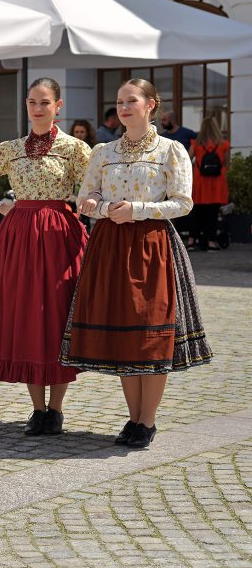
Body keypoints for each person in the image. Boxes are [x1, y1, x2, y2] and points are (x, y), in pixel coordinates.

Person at [61, 78, 213, 449]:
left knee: (151, 332)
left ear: (151, 105)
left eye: (132, 101)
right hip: (110, 244)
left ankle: (147, 420)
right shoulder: (103, 151)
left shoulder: (171, 150)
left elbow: (183, 203)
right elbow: (85, 198)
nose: (124, 108)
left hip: (152, 244)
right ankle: (132, 418)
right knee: (123, 332)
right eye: (120, 102)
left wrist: (138, 210)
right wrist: (102, 208)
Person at [0, 78, 92, 436]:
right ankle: (38, 409)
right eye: (32, 102)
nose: (38, 108)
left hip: (59, 236)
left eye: (45, 102)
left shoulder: (75, 148)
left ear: (58, 106)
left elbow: (95, 187)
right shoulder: (10, 149)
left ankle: (56, 409)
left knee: (56, 314)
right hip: (20, 235)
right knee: (26, 313)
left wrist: (86, 208)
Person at [188, 117, 230, 251]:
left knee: (197, 212)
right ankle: (211, 242)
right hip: (217, 182)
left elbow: (187, 160)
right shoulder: (223, 144)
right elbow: (226, 163)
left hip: (200, 181)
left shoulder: (196, 143)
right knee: (213, 212)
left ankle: (191, 241)